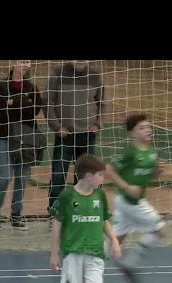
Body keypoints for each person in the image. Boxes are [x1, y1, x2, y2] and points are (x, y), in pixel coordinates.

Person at [50, 154, 121, 283]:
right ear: (88, 176)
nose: (102, 179)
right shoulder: (67, 197)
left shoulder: (100, 196)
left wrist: (114, 241)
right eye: (100, 175)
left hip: (94, 253)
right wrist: (54, 253)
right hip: (72, 253)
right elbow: (57, 225)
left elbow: (104, 220)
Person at [105, 113, 166, 283]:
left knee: (116, 240)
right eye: (142, 128)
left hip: (129, 202)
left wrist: (157, 171)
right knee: (160, 231)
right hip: (129, 201)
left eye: (148, 127)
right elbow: (109, 169)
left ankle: (88, 263)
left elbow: (149, 177)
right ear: (132, 134)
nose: (147, 130)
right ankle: (129, 264)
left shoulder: (152, 152)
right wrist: (127, 187)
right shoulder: (130, 152)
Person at [47, 61, 105, 224]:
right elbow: (48, 102)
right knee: (58, 177)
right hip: (65, 135)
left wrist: (98, 123)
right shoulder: (57, 73)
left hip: (87, 135)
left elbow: (102, 103)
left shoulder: (94, 76)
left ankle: (80, 213)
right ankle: (54, 214)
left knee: (86, 178)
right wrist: (57, 127)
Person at [0, 60, 44, 231]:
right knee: (6, 176)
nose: (25, 66)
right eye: (22, 62)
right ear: (13, 64)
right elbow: (1, 110)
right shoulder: (1, 85)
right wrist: (23, 102)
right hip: (5, 136)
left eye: (27, 63)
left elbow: (35, 110)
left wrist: (14, 102)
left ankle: (16, 215)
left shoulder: (32, 87)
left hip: (25, 138)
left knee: (21, 178)